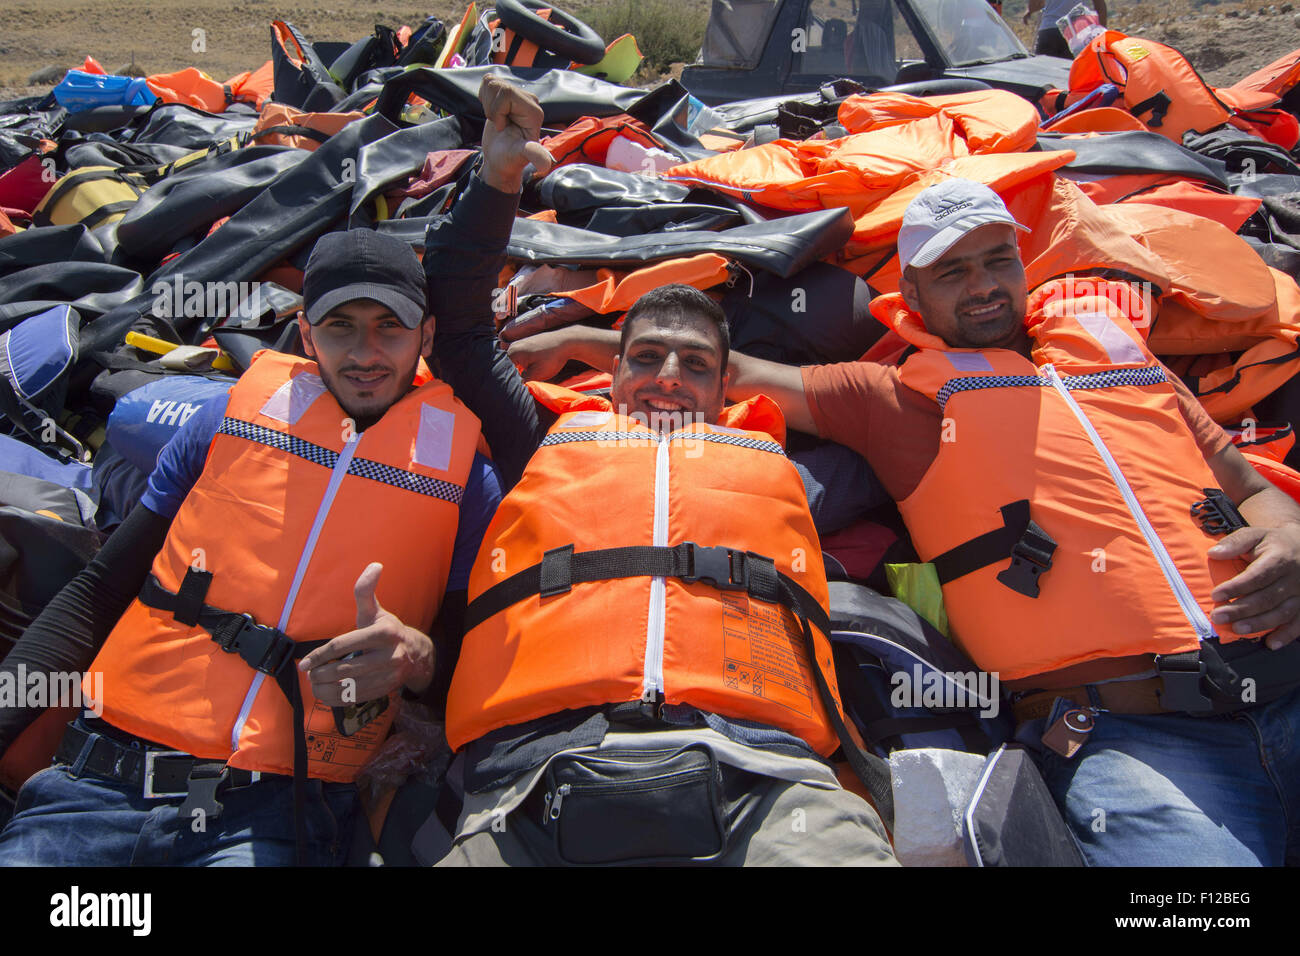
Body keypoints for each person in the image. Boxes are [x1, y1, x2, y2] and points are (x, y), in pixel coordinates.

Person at [516, 177, 1300, 867]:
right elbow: (720, 370)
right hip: (1139, 742)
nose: (985, 286)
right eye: (953, 272)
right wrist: (577, 338)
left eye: (998, 260)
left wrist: (1293, 533)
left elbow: (1243, 480)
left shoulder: (1116, 353)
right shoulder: (893, 399)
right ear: (914, 298)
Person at [420, 76, 896, 867]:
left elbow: (897, 424)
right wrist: (497, 178)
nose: (668, 376)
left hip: (763, 773)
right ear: (610, 380)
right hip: (536, 773)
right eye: (644, 357)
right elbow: (462, 335)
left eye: (694, 364)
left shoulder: (785, 469)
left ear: (724, 385)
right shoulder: (542, 437)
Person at [0, 229, 501, 866]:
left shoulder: (467, 481)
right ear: (306, 331)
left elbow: (465, 660)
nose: (366, 352)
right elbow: (99, 591)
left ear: (425, 337)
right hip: (97, 784)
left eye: (390, 327)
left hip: (270, 816)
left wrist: (419, 658)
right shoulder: (220, 423)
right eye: (341, 325)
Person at [1023, 0, 1107, 57]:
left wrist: (1030, 11)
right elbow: (1100, 7)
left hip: (1049, 30)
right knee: (1072, 76)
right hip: (1075, 32)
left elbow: (1034, 5)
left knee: (1043, 74)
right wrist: (1102, 33)